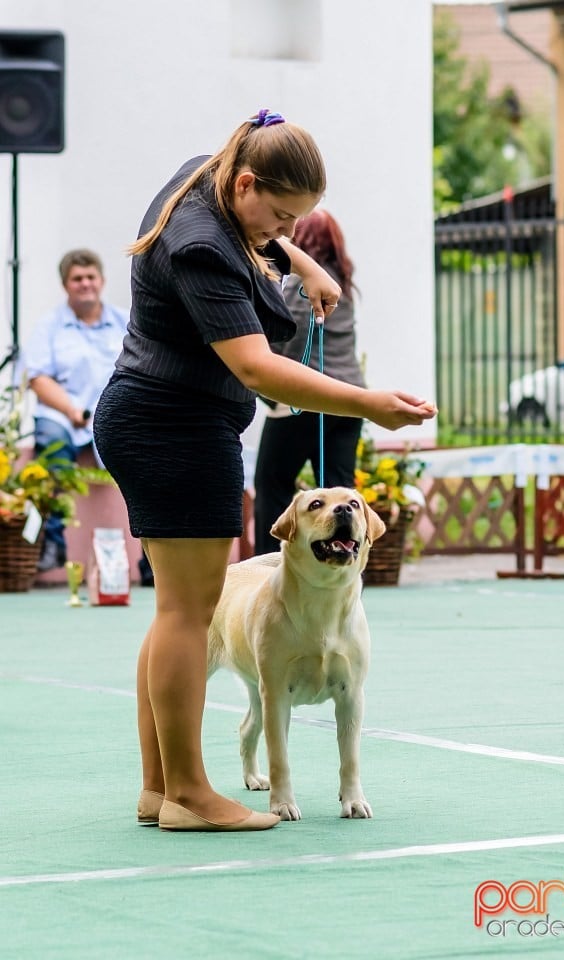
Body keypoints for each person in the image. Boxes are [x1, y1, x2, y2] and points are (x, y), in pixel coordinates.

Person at [92, 109, 437, 834]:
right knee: (189, 614)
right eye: (277, 214)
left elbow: (265, 237)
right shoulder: (202, 247)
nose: (277, 229)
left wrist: (303, 261)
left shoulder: (203, 172)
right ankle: (189, 792)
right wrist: (370, 402)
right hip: (173, 428)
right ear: (246, 183)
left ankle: (159, 789)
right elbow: (258, 368)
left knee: (172, 615)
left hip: (153, 417)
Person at [253, 209, 365, 554]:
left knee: (272, 483)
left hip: (306, 401)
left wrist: (263, 370)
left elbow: (292, 331)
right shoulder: (342, 284)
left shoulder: (305, 283)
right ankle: (341, 564)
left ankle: (269, 566)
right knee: (339, 493)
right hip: (349, 400)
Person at [21, 249, 129, 572]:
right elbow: (38, 379)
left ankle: (151, 555)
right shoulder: (49, 327)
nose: (85, 285)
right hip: (65, 416)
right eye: (77, 279)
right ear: (65, 285)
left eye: (90, 277)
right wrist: (73, 411)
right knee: (51, 441)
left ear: (102, 281)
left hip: (116, 414)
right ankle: (53, 543)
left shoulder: (124, 322)